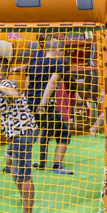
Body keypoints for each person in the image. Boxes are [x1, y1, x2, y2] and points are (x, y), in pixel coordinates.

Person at [0, 62, 39, 213]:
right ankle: (24, 195)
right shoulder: (1, 90)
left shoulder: (7, 84)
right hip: (17, 135)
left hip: (23, 133)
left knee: (23, 173)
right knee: (9, 161)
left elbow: (14, 93)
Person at [30, 37, 73, 174]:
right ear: (58, 50)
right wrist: (42, 104)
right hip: (44, 104)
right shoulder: (58, 64)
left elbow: (28, 83)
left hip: (30, 103)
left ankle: (40, 163)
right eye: (63, 51)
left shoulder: (34, 63)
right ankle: (56, 166)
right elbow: (52, 83)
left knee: (44, 130)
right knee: (65, 133)